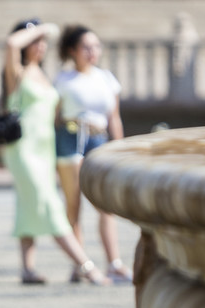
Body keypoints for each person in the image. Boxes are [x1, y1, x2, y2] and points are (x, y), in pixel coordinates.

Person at [0, 19, 109, 286]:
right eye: (35, 42)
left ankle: (27, 269)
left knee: (27, 205)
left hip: (46, 149)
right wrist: (41, 28)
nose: (40, 46)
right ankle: (87, 266)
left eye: (43, 42)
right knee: (49, 205)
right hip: (23, 150)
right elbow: (11, 43)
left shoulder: (45, 75)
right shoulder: (17, 72)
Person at [54, 24, 133, 284]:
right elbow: (54, 117)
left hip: (98, 139)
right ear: (73, 51)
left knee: (104, 204)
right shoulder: (63, 80)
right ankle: (81, 264)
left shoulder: (106, 78)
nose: (92, 52)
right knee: (73, 204)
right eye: (86, 47)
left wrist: (120, 149)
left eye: (95, 46)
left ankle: (114, 262)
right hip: (71, 137)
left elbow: (114, 118)